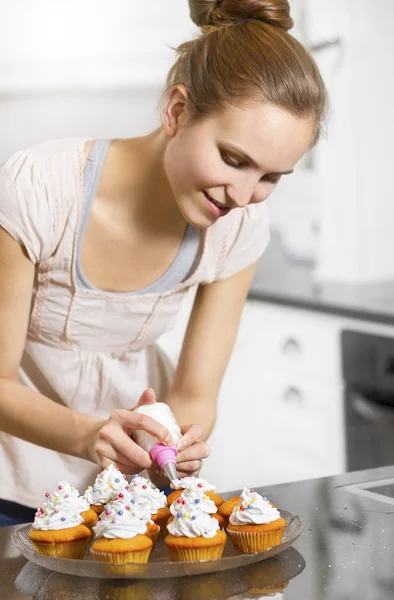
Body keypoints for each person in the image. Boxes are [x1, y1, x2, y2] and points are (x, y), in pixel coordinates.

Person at [0, 0, 327, 526]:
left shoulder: (239, 228)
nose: (244, 195)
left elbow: (195, 393)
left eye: (271, 177)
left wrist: (178, 441)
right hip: (14, 479)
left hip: (136, 488)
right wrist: (89, 435)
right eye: (234, 159)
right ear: (176, 110)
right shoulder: (41, 187)